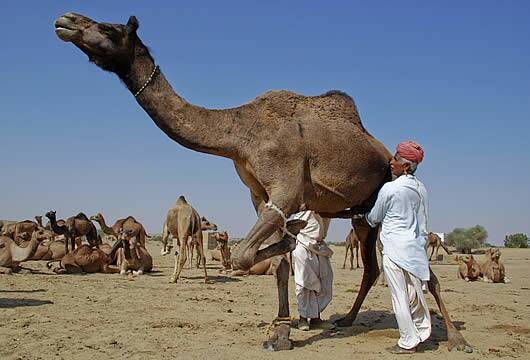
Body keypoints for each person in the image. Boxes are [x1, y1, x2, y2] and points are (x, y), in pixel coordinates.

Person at [364, 141, 431, 354]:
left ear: (406, 166)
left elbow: (374, 218)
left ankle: (407, 341)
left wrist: (361, 216)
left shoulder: (391, 189)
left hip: (394, 250)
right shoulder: (421, 189)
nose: (391, 162)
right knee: (413, 295)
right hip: (416, 251)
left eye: (395, 159)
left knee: (399, 297)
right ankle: (420, 333)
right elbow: (423, 221)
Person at [291, 210, 335, 331]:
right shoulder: (306, 199)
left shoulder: (328, 202)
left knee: (324, 280)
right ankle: (303, 318)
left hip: (319, 246)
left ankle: (316, 319)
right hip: (303, 242)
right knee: (304, 282)